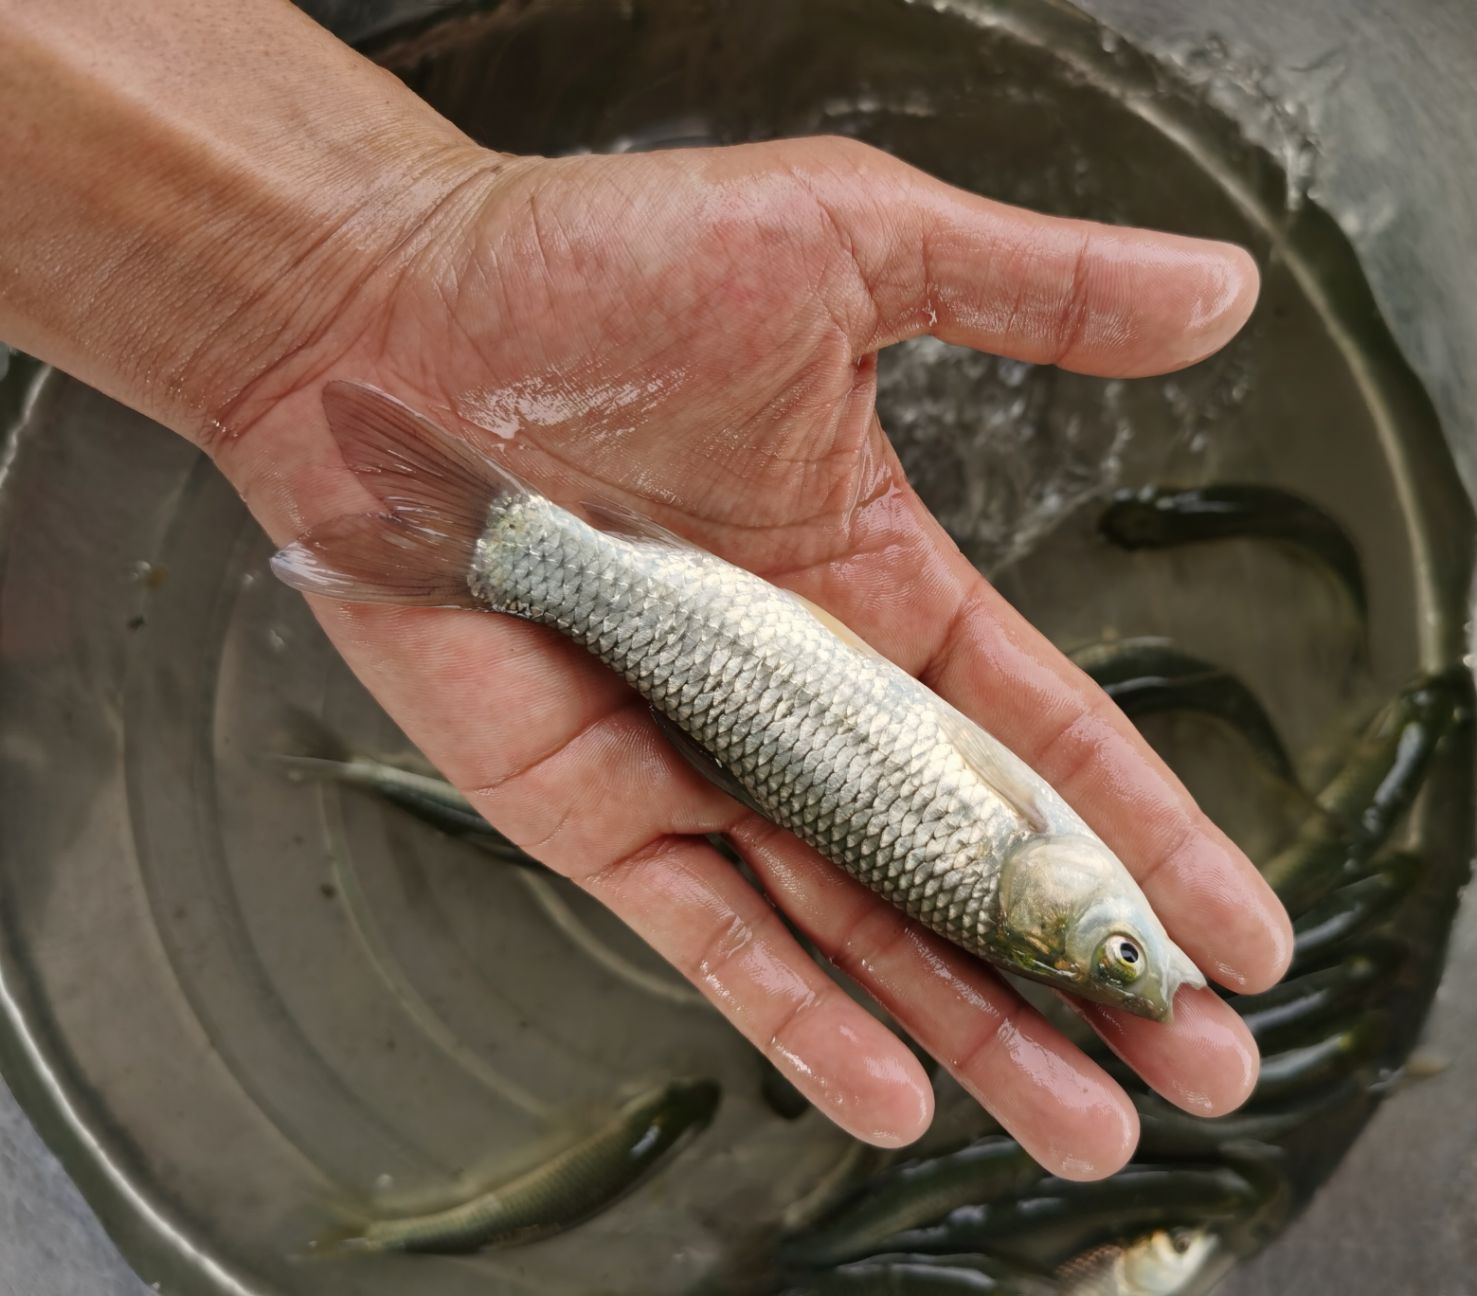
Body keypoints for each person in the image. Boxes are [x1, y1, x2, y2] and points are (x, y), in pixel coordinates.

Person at [0, 0, 1292, 1180]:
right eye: (1122, 951)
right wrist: (348, 273)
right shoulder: (1038, 852)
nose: (1136, 944)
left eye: (1114, 954)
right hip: (706, 623)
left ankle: (497, 554)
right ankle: (493, 547)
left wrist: (318, 291)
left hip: (699, 634)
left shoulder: (1024, 850)